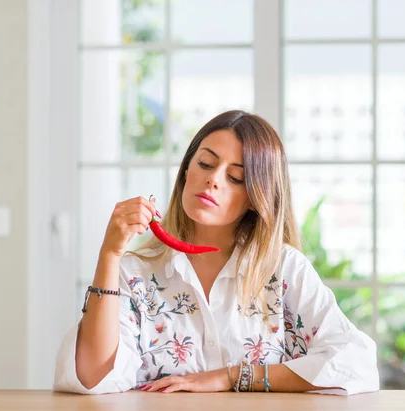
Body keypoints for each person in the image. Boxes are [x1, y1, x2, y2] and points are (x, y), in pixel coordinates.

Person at [53, 110, 379, 395]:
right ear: (185, 171)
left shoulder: (283, 269)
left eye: (235, 177)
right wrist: (110, 254)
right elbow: (93, 379)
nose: (212, 180)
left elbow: (354, 362)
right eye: (205, 163)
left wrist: (232, 377)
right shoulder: (133, 273)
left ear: (256, 196)